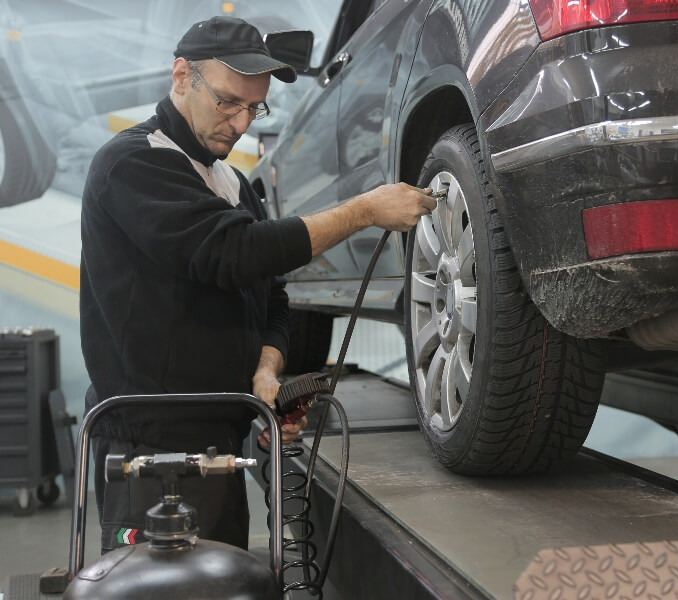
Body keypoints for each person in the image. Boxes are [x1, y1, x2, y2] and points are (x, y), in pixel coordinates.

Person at [79, 15, 436, 553]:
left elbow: (271, 297)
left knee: (224, 584)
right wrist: (364, 210)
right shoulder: (132, 163)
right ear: (181, 76)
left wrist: (265, 375)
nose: (241, 122)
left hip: (220, 439)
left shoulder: (232, 182)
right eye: (227, 102)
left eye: (255, 108)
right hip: (150, 450)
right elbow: (231, 253)